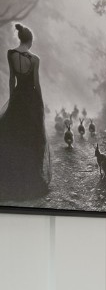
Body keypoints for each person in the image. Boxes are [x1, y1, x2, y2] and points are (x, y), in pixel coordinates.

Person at [0, 23, 50, 198]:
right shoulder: (35, 59)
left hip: (18, 99)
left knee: (14, 136)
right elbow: (36, 84)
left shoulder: (10, 54)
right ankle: (30, 179)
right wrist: (41, 103)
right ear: (30, 41)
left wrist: (13, 100)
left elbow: (11, 80)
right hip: (32, 101)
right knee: (32, 138)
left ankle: (11, 180)